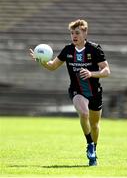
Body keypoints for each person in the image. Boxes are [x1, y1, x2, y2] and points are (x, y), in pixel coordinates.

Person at [29, 19, 110, 166]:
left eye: (77, 33)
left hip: (94, 92)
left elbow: (106, 71)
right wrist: (41, 60)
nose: (74, 35)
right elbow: (53, 66)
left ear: (85, 33)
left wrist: (92, 74)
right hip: (76, 90)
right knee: (83, 113)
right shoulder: (68, 50)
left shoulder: (94, 49)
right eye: (72, 33)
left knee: (95, 125)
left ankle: (94, 150)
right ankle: (89, 145)